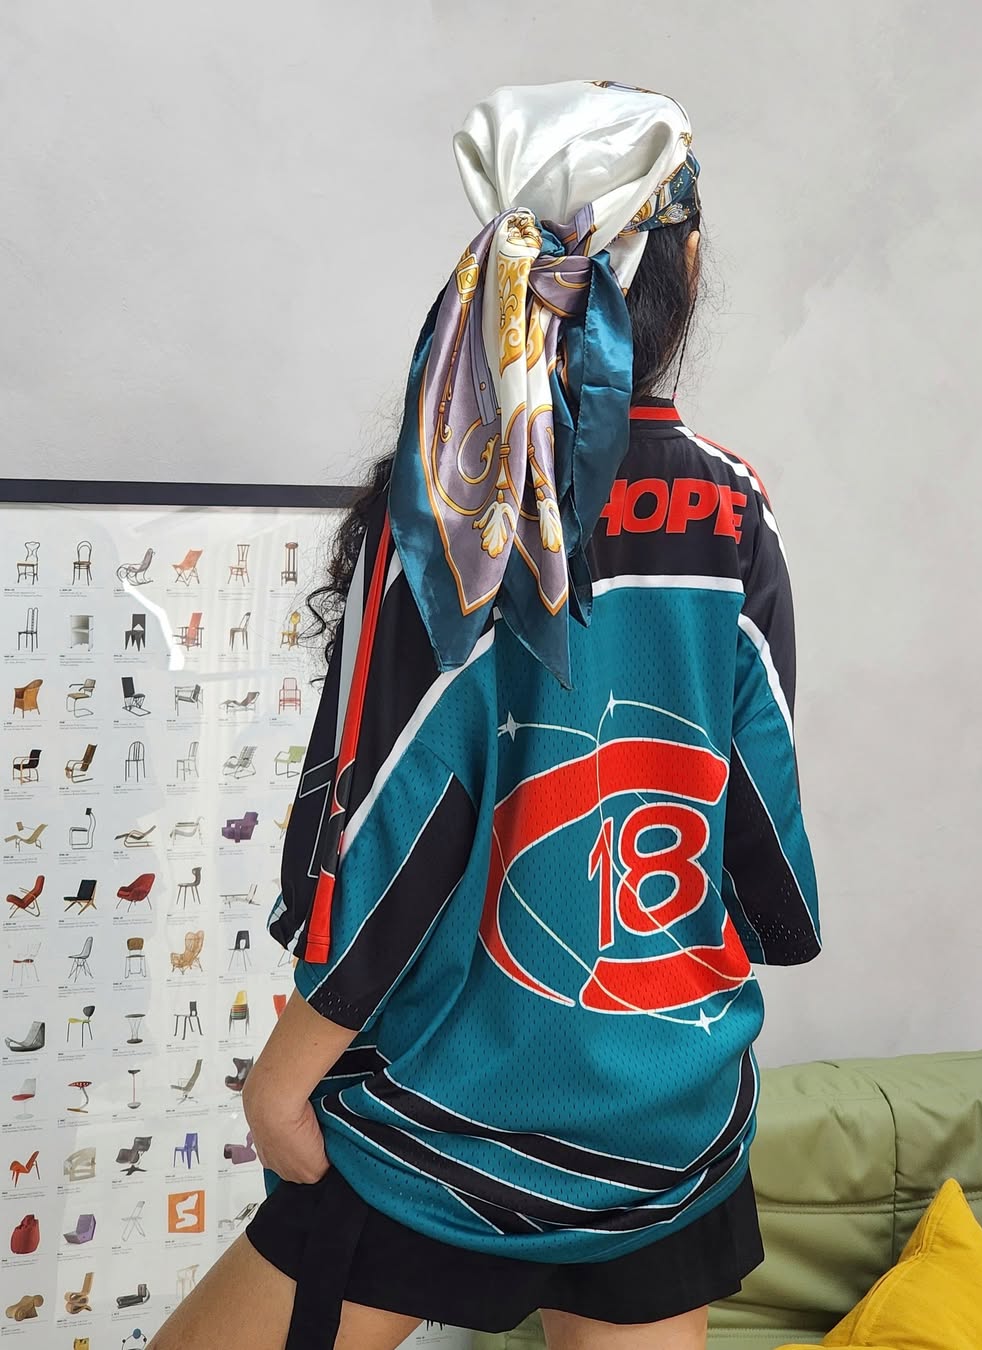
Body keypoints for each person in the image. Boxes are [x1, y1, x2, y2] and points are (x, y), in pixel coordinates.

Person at [151, 79, 819, 1350]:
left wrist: (285, 1076)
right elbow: (763, 804)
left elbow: (400, 814)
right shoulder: (736, 506)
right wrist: (780, 929)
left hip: (450, 1116)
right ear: (679, 267)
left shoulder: (450, 512)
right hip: (668, 1113)